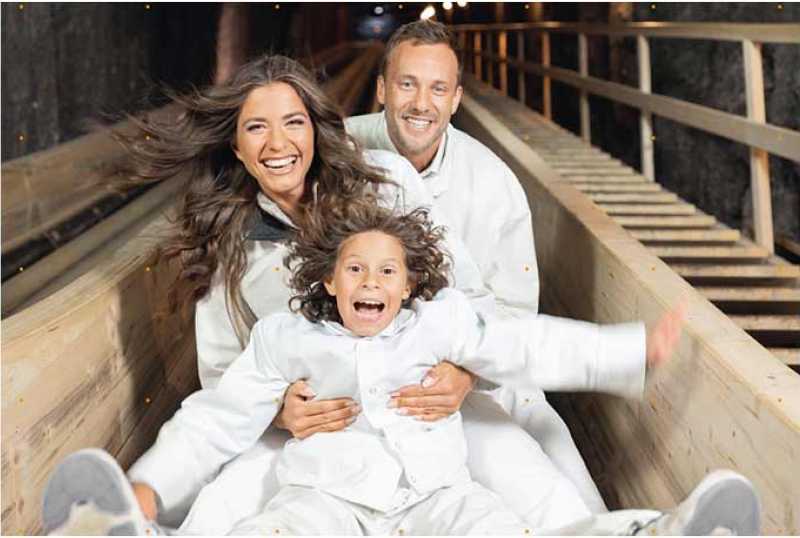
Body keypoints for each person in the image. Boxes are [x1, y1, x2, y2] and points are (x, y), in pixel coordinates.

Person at [42, 200, 759, 536]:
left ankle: (649, 534)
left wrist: (630, 349)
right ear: (329, 280)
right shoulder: (288, 337)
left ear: (411, 284)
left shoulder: (442, 322)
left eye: (388, 270)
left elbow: (527, 345)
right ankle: (120, 527)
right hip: (328, 499)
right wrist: (150, 486)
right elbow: (216, 419)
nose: (371, 282)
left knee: (501, 531)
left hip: (437, 496)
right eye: (356, 269)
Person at [103, 52, 494, 529]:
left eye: (293, 122)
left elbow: (471, 299)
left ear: (314, 129)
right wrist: (279, 413)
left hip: (425, 411)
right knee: (226, 505)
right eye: (255, 128)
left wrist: (464, 373)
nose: (278, 143)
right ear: (236, 145)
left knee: (524, 476)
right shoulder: (229, 243)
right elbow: (226, 383)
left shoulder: (387, 182)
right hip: (316, 435)